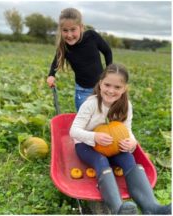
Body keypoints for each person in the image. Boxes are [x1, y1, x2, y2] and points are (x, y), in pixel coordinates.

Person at [70, 64, 171, 214]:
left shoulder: (126, 105)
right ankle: (118, 209)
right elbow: (74, 131)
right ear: (100, 83)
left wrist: (132, 141)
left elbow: (127, 129)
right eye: (107, 85)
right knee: (101, 160)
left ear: (124, 88)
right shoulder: (90, 104)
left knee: (129, 159)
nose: (111, 90)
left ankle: (152, 208)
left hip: (113, 145)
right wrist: (94, 136)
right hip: (87, 145)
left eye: (117, 87)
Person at [47, 8, 112, 111]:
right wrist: (51, 75)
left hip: (101, 88)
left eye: (73, 30)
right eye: (65, 30)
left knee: (101, 118)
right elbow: (56, 61)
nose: (69, 35)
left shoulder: (92, 36)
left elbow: (107, 52)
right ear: (61, 30)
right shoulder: (64, 46)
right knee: (83, 120)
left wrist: (109, 74)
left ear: (81, 27)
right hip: (82, 91)